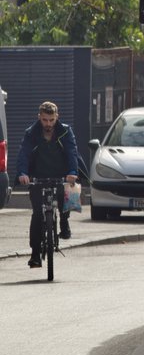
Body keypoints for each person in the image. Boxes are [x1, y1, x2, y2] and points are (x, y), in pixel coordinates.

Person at [17, 101, 79, 268]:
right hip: (38, 177)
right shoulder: (31, 133)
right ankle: (35, 254)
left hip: (61, 175)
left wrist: (73, 172)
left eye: (51, 120)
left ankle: (65, 222)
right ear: (39, 117)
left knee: (69, 196)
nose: (48, 124)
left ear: (56, 117)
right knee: (37, 214)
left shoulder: (65, 131)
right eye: (45, 120)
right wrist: (23, 174)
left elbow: (72, 152)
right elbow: (24, 153)